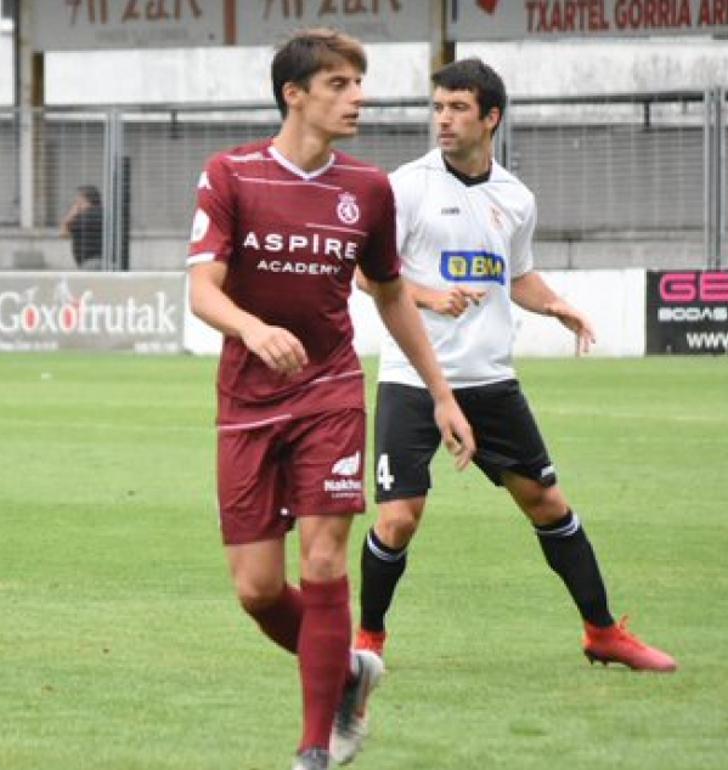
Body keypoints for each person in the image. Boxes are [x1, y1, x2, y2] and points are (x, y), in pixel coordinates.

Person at [187, 30, 477, 770]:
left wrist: (442, 394)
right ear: (296, 94)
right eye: (341, 84)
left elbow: (389, 296)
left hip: (331, 392)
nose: (359, 97)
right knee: (256, 589)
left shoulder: (368, 189)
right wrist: (252, 329)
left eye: (359, 83)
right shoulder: (231, 174)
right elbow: (199, 292)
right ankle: (346, 670)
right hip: (249, 401)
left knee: (322, 561)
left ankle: (315, 746)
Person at [352, 58, 677, 673]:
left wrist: (556, 305)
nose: (443, 120)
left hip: (492, 381)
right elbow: (370, 273)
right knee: (398, 518)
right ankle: (368, 639)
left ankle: (602, 632)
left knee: (549, 505)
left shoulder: (516, 198)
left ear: (491, 117)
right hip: (412, 381)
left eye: (457, 109)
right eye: (438, 107)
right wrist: (426, 297)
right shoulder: (405, 187)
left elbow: (515, 274)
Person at [59, 184, 103, 269]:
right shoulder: (105, 214)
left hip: (91, 264)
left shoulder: (82, 217)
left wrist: (71, 214)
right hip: (109, 262)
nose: (75, 203)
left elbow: (63, 234)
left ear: (84, 199)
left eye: (77, 201)